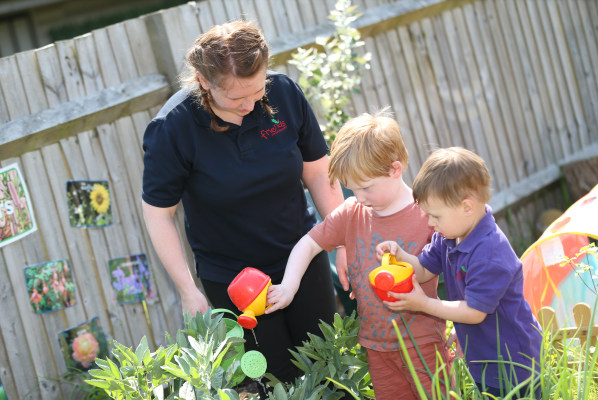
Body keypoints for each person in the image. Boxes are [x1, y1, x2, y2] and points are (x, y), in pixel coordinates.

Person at [141, 20, 346, 384]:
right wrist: (188, 291)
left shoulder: (283, 94)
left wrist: (341, 240)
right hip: (234, 281)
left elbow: (317, 172)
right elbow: (159, 216)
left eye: (257, 90)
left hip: (302, 256)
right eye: (237, 98)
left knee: (329, 369)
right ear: (204, 82)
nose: (251, 104)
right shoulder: (173, 129)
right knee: (271, 381)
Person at [266, 111, 452, 400]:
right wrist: (288, 286)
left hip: (424, 342)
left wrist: (464, 327)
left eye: (366, 188)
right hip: (376, 347)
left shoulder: (427, 214)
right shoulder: (353, 212)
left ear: (395, 169)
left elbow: (457, 269)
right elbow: (309, 243)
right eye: (352, 189)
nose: (360, 197)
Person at [377, 147, 542, 399]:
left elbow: (474, 312)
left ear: (467, 206)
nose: (430, 223)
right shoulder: (448, 237)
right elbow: (422, 269)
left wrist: (424, 303)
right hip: (485, 358)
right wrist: (400, 255)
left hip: (514, 364)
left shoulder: (490, 252)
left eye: (436, 216)